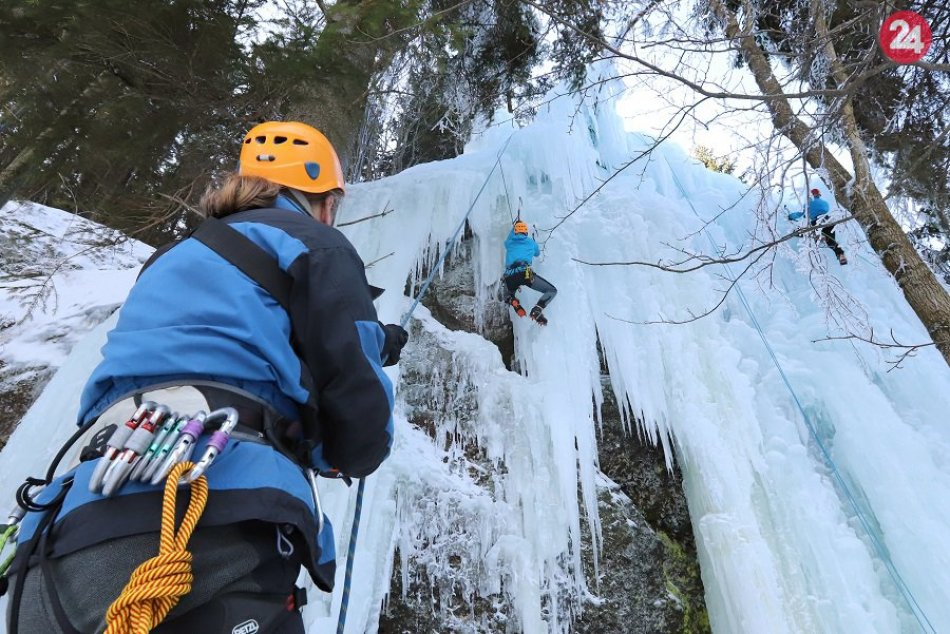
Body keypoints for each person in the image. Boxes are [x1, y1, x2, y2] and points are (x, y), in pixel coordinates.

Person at [5, 121, 408, 633]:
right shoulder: (314, 243)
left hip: (65, 535)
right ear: (323, 201)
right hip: (209, 527)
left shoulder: (171, 255)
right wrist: (342, 455)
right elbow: (355, 389)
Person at [502, 220, 557, 325]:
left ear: (515, 231)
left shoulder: (509, 243)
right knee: (551, 290)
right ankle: (537, 309)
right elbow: (537, 253)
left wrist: (514, 226)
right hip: (525, 274)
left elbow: (510, 237)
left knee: (507, 292)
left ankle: (513, 301)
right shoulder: (531, 242)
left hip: (510, 276)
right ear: (526, 232)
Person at [789, 188, 847, 265]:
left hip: (817, 222)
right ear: (819, 195)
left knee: (807, 233)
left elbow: (800, 214)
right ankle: (840, 255)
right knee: (831, 242)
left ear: (811, 195)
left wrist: (791, 216)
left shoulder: (808, 203)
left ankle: (796, 233)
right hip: (829, 221)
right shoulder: (825, 203)